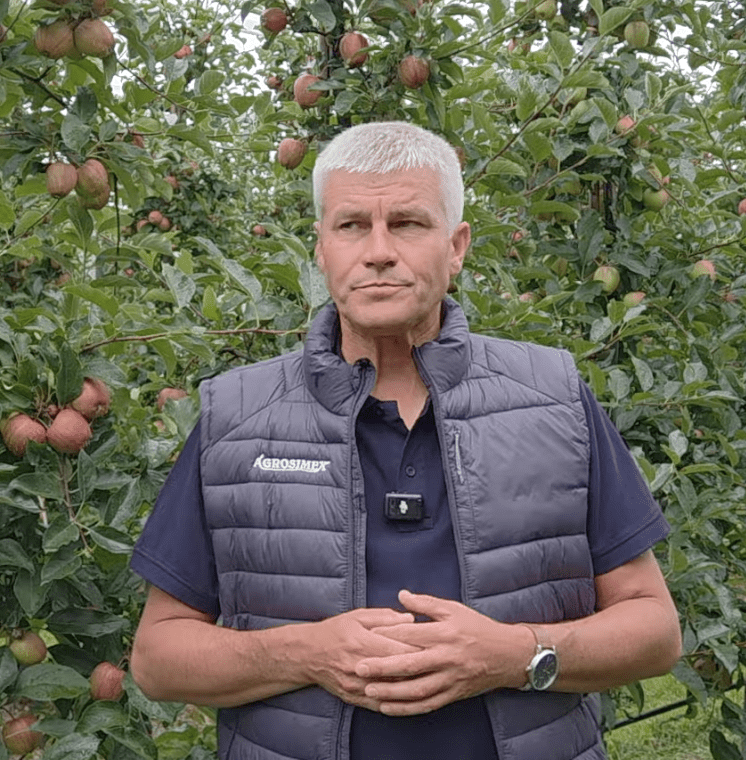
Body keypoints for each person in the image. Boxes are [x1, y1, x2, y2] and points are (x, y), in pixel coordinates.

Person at [128, 121, 682, 760]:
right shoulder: (237, 415)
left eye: (408, 224)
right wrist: (304, 653)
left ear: (457, 246)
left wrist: (513, 654)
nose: (378, 251)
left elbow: (654, 629)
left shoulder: (552, 399)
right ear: (321, 248)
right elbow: (159, 658)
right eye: (351, 225)